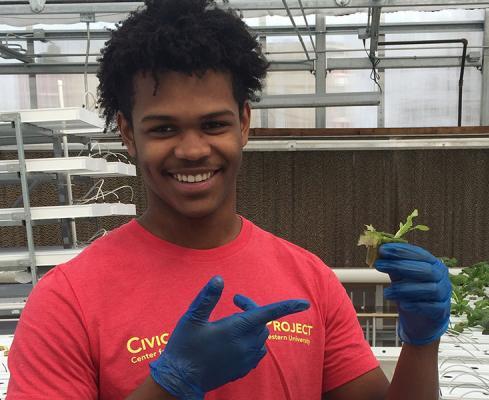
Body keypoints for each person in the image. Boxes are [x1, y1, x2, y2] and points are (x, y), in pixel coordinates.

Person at [7, 1, 451, 399]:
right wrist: (170, 385)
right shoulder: (67, 302)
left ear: (243, 122)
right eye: (163, 128)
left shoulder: (309, 279)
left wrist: (421, 343)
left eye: (214, 124)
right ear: (127, 133)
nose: (193, 149)